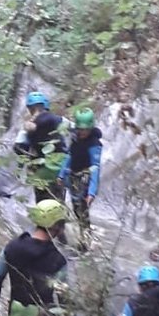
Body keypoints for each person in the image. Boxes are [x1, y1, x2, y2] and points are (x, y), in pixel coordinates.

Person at [12, 92, 69, 203]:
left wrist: (20, 168)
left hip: (40, 171)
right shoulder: (58, 120)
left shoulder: (28, 129)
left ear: (29, 109)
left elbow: (18, 148)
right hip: (59, 170)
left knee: (43, 203)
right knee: (58, 201)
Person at [59, 107, 102, 249]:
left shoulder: (94, 144)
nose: (82, 132)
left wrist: (91, 192)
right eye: (80, 129)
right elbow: (69, 156)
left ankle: (85, 241)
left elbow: (95, 167)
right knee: (76, 208)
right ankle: (79, 237)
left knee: (82, 211)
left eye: (85, 129)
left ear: (90, 128)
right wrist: (61, 174)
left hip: (84, 179)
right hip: (73, 177)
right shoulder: (76, 138)